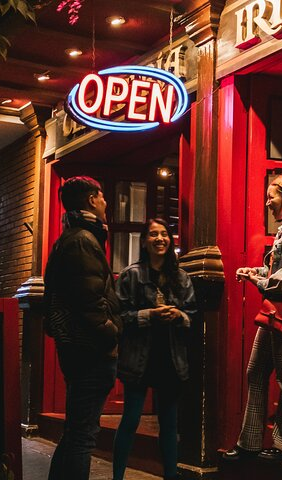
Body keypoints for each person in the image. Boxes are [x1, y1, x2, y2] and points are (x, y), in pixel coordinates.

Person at [223, 172, 282, 463]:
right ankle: (249, 442)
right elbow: (280, 270)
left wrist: (259, 281)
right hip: (278, 308)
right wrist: (255, 272)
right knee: (256, 372)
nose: (267, 203)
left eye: (272, 195)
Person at [44, 176, 122, 480]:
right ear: (92, 199)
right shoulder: (82, 240)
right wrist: (111, 334)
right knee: (83, 437)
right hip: (90, 351)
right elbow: (89, 302)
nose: (106, 203)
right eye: (102, 196)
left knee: (76, 431)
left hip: (78, 348)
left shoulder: (74, 238)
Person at [113, 218, 196, 480]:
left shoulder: (181, 277)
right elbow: (118, 316)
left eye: (164, 234)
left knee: (169, 424)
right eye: (153, 235)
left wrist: (178, 316)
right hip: (139, 357)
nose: (160, 239)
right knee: (131, 419)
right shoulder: (131, 274)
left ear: (170, 241)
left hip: (170, 357)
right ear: (145, 242)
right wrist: (148, 315)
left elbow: (192, 313)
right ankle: (117, 476)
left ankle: (170, 476)